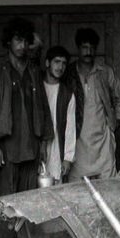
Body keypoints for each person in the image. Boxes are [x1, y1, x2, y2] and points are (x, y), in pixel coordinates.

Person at [0, 17, 53, 238]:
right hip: (7, 147)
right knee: (6, 201)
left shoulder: (34, 71)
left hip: (30, 146)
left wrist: (43, 142)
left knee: (28, 200)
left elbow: (43, 107)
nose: (22, 45)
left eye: (25, 40)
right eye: (17, 40)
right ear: (8, 42)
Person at [65, 27, 120, 181]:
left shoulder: (104, 71)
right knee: (76, 185)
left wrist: (115, 124)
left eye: (91, 48)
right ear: (78, 49)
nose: (88, 52)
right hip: (78, 140)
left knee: (108, 184)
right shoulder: (69, 73)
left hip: (102, 139)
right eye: (85, 48)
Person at [42, 45, 77, 183]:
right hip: (36, 151)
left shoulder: (67, 94)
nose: (60, 67)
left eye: (63, 63)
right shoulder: (36, 87)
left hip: (57, 151)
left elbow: (70, 129)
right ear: (47, 63)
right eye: (56, 62)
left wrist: (68, 158)